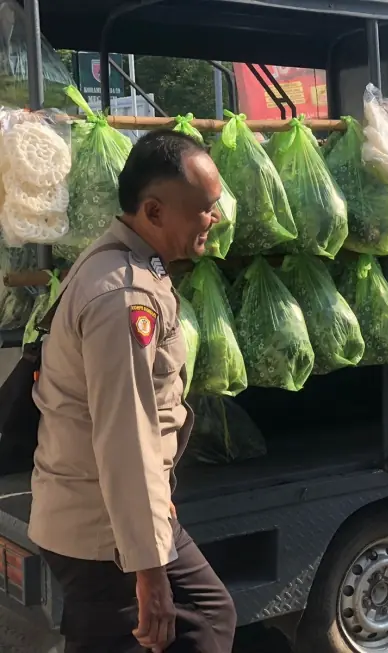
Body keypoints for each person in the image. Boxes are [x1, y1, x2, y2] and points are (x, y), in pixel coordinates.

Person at [28, 130, 236, 653]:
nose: (216, 218)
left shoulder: (127, 263)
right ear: (155, 211)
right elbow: (128, 437)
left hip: (96, 515)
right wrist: (149, 570)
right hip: (102, 529)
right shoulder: (124, 296)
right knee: (206, 620)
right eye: (205, 209)